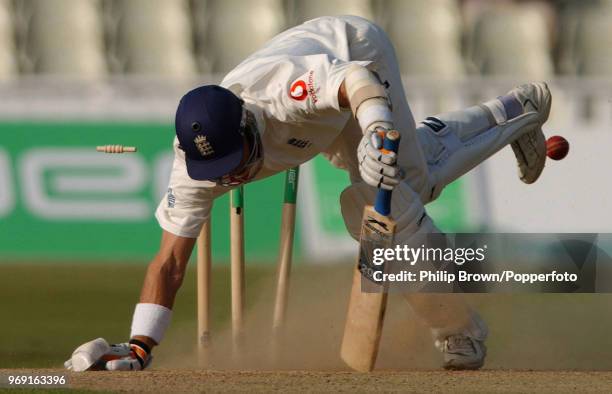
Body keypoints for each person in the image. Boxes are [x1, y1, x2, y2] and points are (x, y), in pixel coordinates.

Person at [65, 15, 551, 372]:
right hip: (327, 117)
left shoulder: (281, 94)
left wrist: (378, 130)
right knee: (407, 184)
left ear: (248, 126)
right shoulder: (194, 167)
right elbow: (169, 262)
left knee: (394, 192)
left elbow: (357, 80)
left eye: (234, 164)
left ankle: (458, 331)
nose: (228, 180)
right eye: (217, 171)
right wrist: (139, 346)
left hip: (356, 55)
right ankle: (513, 109)